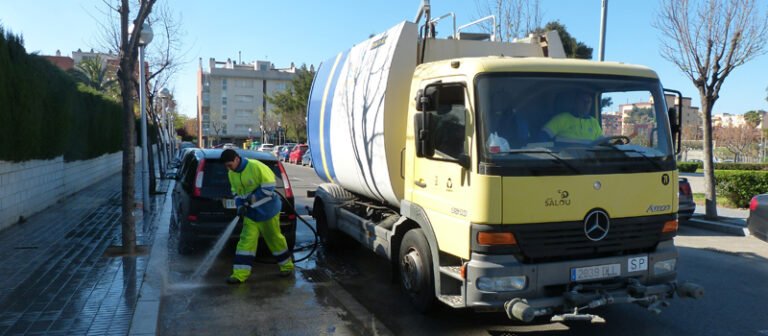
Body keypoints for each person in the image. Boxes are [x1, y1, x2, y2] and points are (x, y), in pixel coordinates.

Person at [221, 149, 294, 284]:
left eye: (229, 165)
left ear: (237, 159)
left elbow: (268, 188)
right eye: (226, 166)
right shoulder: (232, 173)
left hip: (268, 211)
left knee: (274, 239)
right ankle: (239, 274)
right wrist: (240, 205)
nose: (228, 168)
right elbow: (235, 192)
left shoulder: (256, 167)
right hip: (251, 214)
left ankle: (287, 267)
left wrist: (250, 200)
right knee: (246, 242)